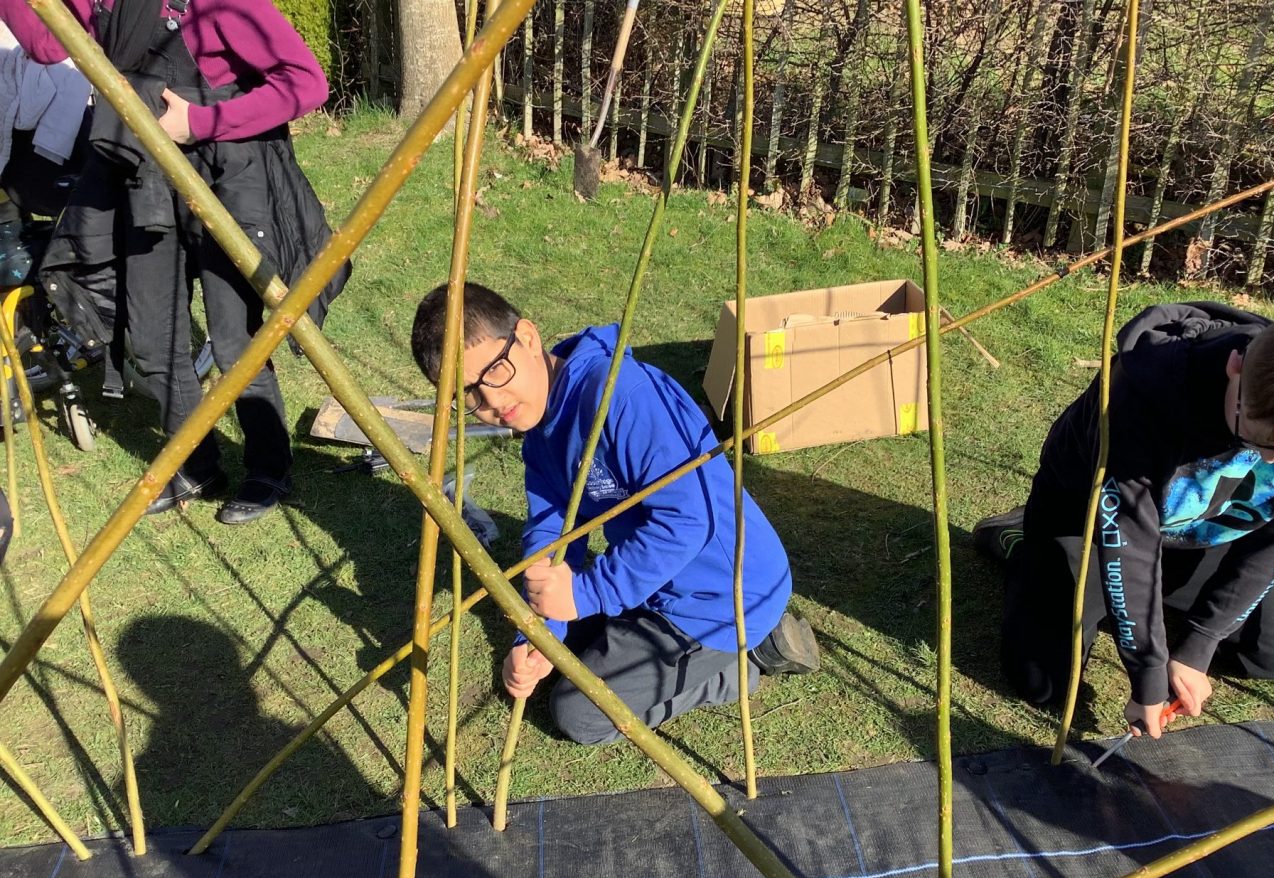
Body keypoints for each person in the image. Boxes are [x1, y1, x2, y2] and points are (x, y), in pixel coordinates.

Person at [410, 282, 821, 744]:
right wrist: (539, 634)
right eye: (467, 393)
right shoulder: (540, 430)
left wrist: (587, 593)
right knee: (565, 641)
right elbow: (553, 535)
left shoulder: (623, 397)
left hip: (723, 597)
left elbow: (688, 521)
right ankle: (640, 630)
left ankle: (735, 669)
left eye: (495, 371)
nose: (492, 402)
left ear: (527, 336)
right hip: (659, 582)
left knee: (579, 713)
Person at [1, 0, 348, 524]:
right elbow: (48, 43)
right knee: (150, 334)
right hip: (145, 169)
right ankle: (197, 462)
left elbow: (307, 82)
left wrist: (201, 121)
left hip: (228, 171)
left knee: (235, 341)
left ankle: (269, 466)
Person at [974, 303, 1274, 740]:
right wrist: (1149, 673)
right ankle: (1020, 540)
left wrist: (1199, 645)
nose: (1269, 459)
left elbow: (1273, 543)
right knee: (1042, 681)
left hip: (1197, 532)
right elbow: (1130, 539)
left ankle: (1139, 602)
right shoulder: (1144, 390)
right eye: (1253, 436)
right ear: (1236, 366)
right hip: (1091, 522)